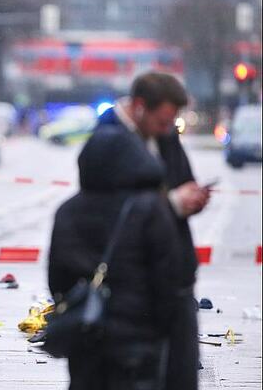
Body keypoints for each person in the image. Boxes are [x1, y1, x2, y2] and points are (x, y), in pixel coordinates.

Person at [49, 125, 182, 390]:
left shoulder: (69, 211)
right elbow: (169, 280)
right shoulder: (151, 209)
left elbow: (57, 281)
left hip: (87, 337)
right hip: (139, 340)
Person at [97, 72, 205, 390]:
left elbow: (183, 179)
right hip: (134, 289)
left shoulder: (166, 137)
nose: (168, 128)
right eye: (163, 121)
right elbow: (114, 210)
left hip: (177, 280)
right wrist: (172, 203)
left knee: (181, 376)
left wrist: (193, 198)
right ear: (141, 107)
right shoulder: (108, 138)